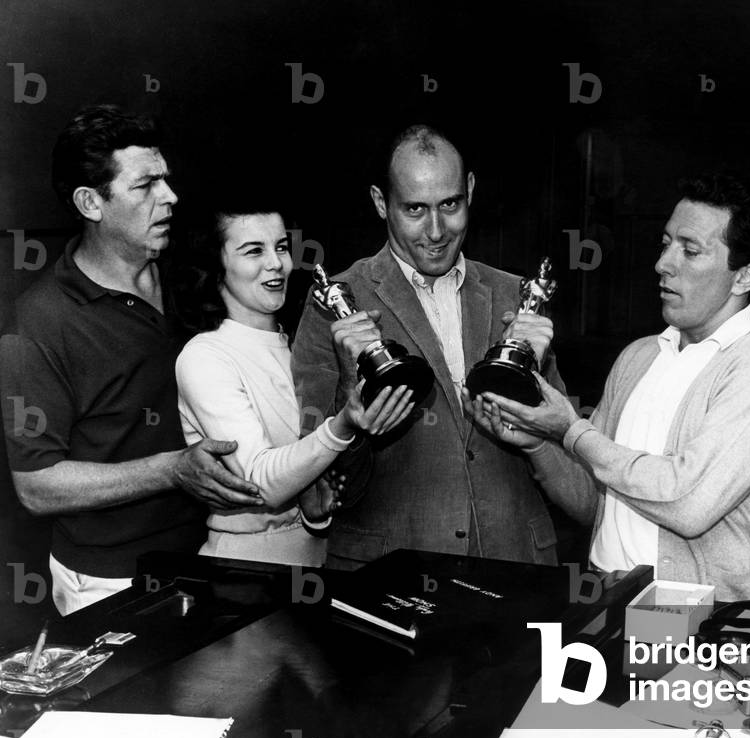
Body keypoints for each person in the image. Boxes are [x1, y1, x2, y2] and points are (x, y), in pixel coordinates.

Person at [469, 174, 750, 600]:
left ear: (744, 277)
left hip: (698, 622)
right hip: (604, 598)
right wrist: (536, 443)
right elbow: (595, 503)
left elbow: (688, 504)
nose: (663, 263)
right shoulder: (639, 356)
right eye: (665, 244)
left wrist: (571, 431)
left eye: (690, 250)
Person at [0, 105, 262, 615]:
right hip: (112, 578)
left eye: (166, 180)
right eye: (145, 186)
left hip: (218, 551)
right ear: (90, 203)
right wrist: (171, 470)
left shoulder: (191, 274)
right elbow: (37, 486)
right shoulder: (39, 325)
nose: (170, 197)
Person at [291, 124, 565, 570]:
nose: (436, 230)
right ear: (382, 203)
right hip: (391, 573)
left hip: (514, 566)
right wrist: (350, 392)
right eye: (415, 209)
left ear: (470, 190)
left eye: (450, 205)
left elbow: (560, 444)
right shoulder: (341, 300)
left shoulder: (516, 294)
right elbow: (316, 483)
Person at [173, 199, 415, 566]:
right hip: (244, 573)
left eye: (282, 247)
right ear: (216, 264)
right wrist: (343, 425)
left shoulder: (302, 347)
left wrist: (316, 516)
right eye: (254, 250)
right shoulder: (204, 356)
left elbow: (316, 478)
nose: (277, 263)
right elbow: (261, 481)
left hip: (318, 561)